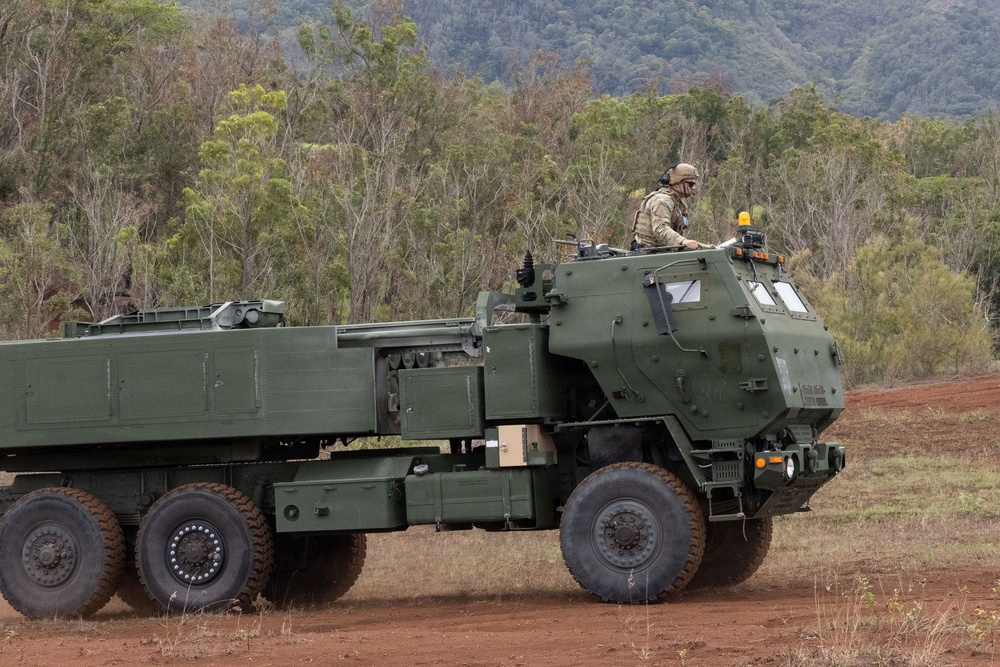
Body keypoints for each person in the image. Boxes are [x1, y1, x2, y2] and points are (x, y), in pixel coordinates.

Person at [631, 163, 710, 250]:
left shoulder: (676, 203)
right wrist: (683, 241)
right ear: (677, 182)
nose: (693, 188)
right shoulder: (662, 201)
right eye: (690, 184)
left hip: (661, 252)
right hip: (648, 253)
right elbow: (660, 229)